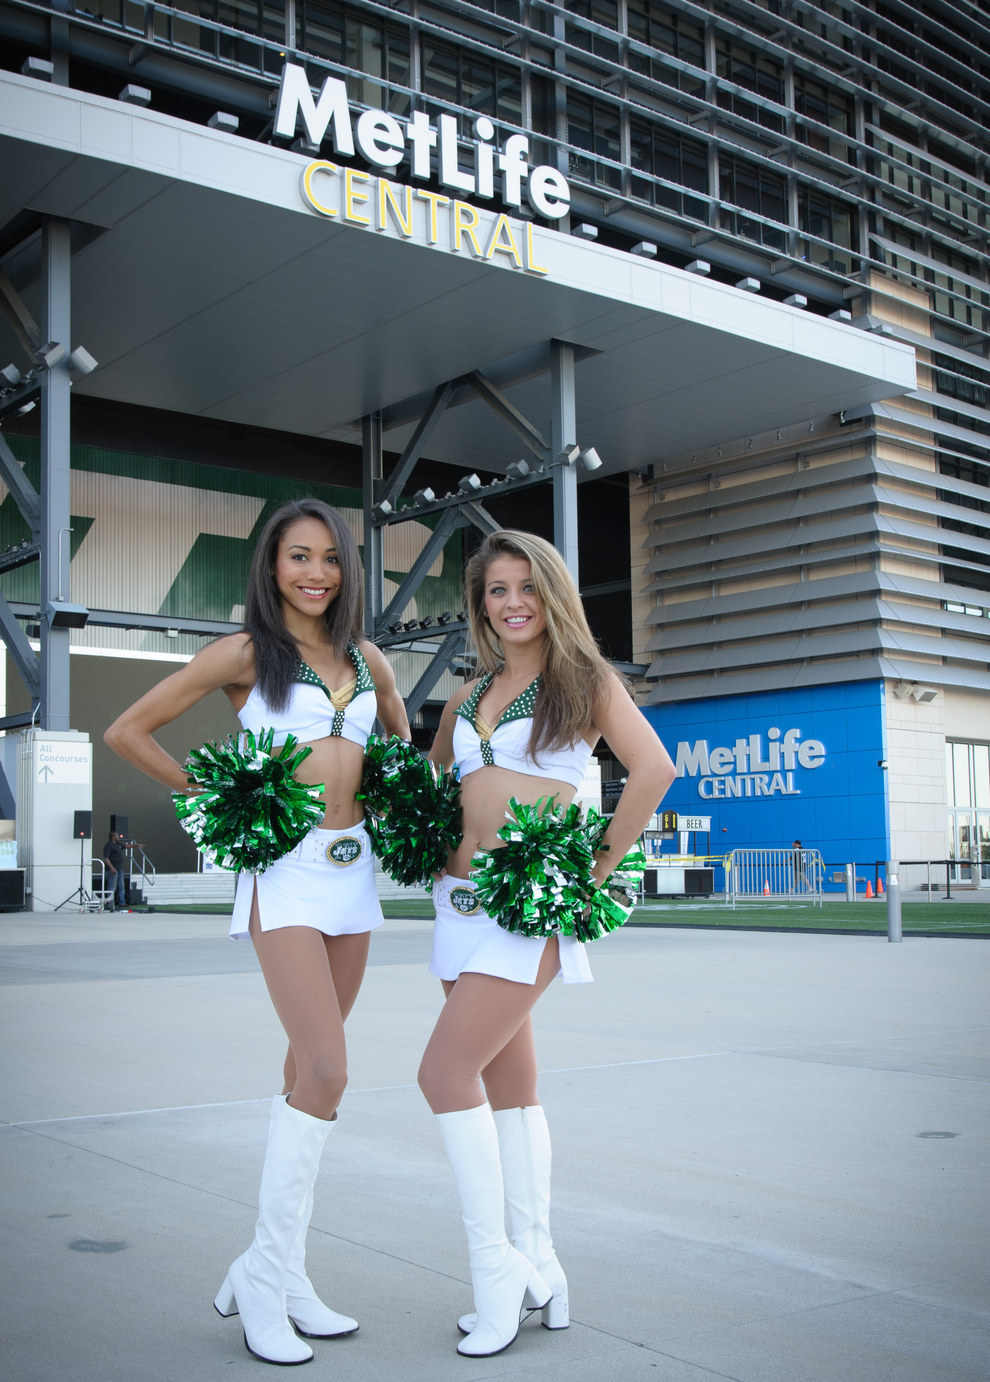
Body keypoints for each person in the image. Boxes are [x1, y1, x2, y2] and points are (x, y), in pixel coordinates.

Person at [104, 497, 409, 1366]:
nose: (315, 573)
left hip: (355, 874)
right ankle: (266, 1287)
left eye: (329, 559)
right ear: (270, 567)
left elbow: (397, 743)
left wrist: (405, 778)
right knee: (327, 1067)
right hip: (285, 870)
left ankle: (278, 1272)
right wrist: (213, 797)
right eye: (297, 557)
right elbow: (128, 730)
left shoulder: (368, 658)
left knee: (304, 1076)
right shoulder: (244, 655)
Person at [419, 530, 675, 1358]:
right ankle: (543, 1263)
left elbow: (654, 769)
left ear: (551, 592)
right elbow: (433, 784)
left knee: (443, 1073)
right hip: (458, 906)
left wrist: (598, 870)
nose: (512, 601)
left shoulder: (584, 681)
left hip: (528, 904)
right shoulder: (469, 694)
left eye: (525, 585)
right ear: (481, 604)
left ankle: (497, 1273)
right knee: (511, 1088)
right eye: (496, 589)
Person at [101, 829, 126, 909]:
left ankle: (122, 902)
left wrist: (136, 845)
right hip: (112, 869)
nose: (118, 837)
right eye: (117, 835)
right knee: (112, 887)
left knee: (121, 886)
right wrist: (112, 868)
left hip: (119, 869)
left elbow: (125, 846)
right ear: (113, 837)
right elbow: (106, 858)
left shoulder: (118, 844)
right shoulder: (109, 845)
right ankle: (109, 903)